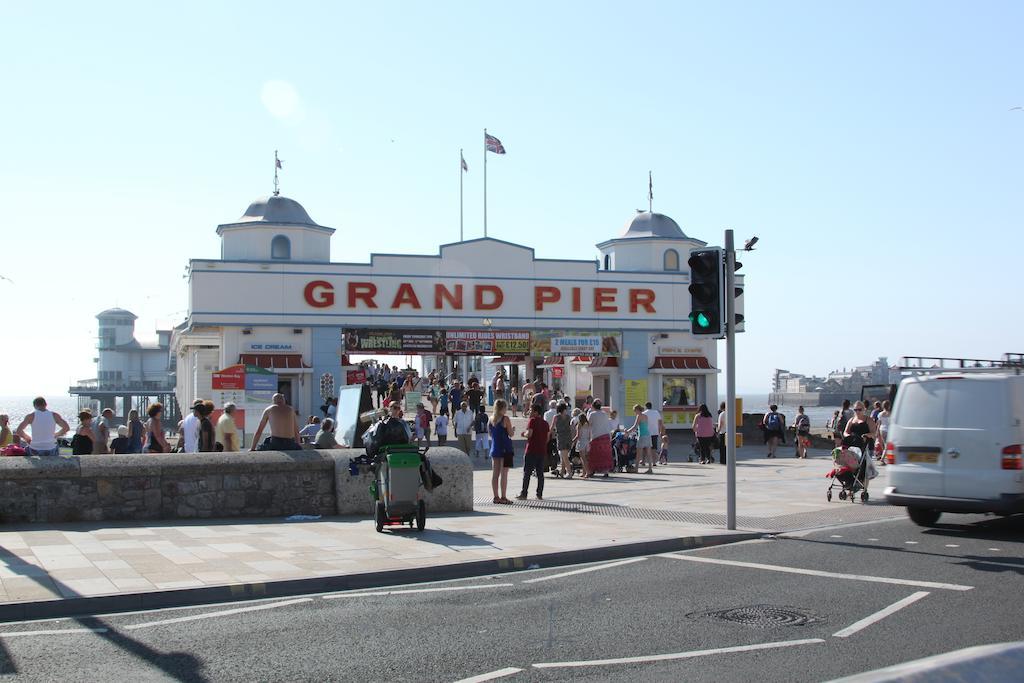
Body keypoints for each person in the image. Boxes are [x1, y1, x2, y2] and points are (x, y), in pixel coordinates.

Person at [517, 404, 549, 500]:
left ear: (536, 412)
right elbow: (547, 438)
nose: (529, 412)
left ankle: (524, 493)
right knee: (540, 474)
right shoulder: (545, 423)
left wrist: (523, 434)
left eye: (531, 410)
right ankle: (539, 494)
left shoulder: (532, 421)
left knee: (527, 473)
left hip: (531, 450)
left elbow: (529, 434)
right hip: (542, 451)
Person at [488, 399, 515, 504]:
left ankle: (496, 497)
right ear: (502, 408)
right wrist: (512, 429)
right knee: (504, 474)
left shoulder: (491, 419)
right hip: (506, 449)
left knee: (495, 474)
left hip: (495, 449)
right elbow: (511, 434)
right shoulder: (505, 419)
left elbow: (490, 434)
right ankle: (503, 497)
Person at [585, 400, 614, 476]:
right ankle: (606, 471)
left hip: (596, 436)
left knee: (595, 454)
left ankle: (592, 470)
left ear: (593, 406)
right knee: (605, 454)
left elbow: (588, 424)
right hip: (606, 436)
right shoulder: (604, 414)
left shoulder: (592, 414)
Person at [626, 404, 653, 473]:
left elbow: (635, 426)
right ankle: (650, 469)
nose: (634, 412)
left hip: (642, 436)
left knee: (638, 454)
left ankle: (636, 469)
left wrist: (627, 432)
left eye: (634, 411)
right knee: (649, 453)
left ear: (637, 410)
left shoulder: (639, 416)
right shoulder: (646, 416)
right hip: (648, 435)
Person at [551, 403, 573, 478]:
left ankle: (569, 473)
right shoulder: (568, 417)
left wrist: (550, 434)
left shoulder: (556, 417)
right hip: (568, 437)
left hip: (561, 437)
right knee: (564, 455)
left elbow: (552, 427)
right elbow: (570, 427)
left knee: (564, 456)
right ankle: (562, 471)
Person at [575, 411, 592, 477]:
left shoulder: (579, 425)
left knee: (583, 458)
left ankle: (587, 472)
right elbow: (590, 435)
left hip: (581, 442)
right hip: (587, 442)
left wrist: (573, 441)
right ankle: (584, 472)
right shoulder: (588, 424)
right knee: (586, 458)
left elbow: (578, 436)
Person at [876, 400, 892, 464]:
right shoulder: (891, 413)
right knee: (887, 445)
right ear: (889, 406)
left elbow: (879, 423)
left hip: (882, 429)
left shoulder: (880, 414)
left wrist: (877, 431)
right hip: (889, 430)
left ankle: (885, 457)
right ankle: (882, 459)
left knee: (885, 444)